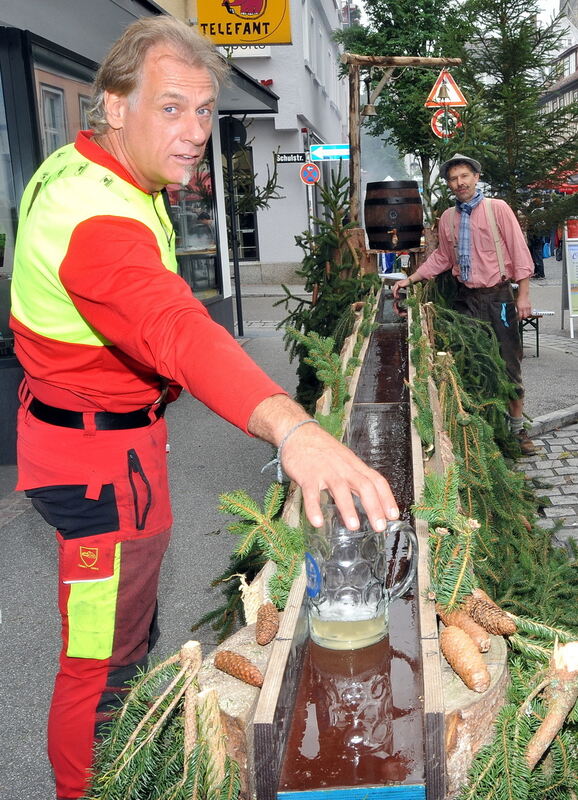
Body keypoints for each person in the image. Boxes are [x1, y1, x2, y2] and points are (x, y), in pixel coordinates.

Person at [9, 17, 399, 800]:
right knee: (100, 665)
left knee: (128, 635)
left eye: (202, 111)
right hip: (97, 472)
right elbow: (172, 325)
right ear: (113, 104)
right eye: (170, 108)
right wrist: (292, 426)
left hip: (107, 446)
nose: (193, 134)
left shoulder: (97, 172)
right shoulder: (96, 215)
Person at [392, 152, 536, 455]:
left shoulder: (498, 210)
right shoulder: (448, 218)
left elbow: (520, 253)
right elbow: (443, 258)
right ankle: (480, 434)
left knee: (509, 364)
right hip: (466, 300)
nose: (459, 183)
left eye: (464, 177)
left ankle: (517, 430)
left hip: (499, 299)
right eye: (453, 179)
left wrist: (523, 295)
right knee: (468, 363)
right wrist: (412, 278)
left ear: (476, 178)